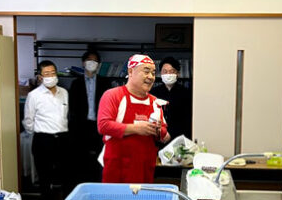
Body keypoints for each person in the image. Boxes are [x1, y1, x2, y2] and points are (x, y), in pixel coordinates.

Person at [98, 54, 170, 183]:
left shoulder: (155, 102)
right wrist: (136, 129)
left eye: (153, 73)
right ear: (131, 72)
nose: (151, 77)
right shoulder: (113, 95)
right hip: (117, 168)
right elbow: (103, 125)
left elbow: (165, 135)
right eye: (146, 71)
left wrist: (158, 131)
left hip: (145, 168)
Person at [23, 60, 73, 200]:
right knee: (45, 177)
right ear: (40, 77)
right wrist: (40, 132)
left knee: (67, 175)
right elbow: (28, 121)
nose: (50, 76)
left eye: (53, 73)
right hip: (43, 139)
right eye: (46, 74)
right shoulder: (34, 95)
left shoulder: (64, 93)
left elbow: (65, 116)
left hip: (63, 139)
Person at [69, 50, 107, 183]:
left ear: (98, 65)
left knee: (99, 160)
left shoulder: (105, 83)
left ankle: (97, 185)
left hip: (99, 126)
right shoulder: (75, 83)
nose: (92, 63)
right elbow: (72, 108)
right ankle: (82, 186)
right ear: (83, 63)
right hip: (81, 126)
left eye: (95, 61)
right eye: (89, 60)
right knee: (81, 159)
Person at [150, 56, 192, 140]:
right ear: (160, 74)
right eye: (165, 72)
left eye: (171, 71)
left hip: (180, 137)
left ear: (177, 74)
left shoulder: (186, 93)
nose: (168, 74)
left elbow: (188, 120)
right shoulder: (153, 93)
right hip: (158, 137)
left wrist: (171, 134)